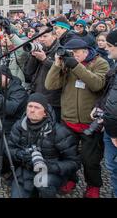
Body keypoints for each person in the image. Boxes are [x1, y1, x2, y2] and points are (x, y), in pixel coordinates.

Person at [45, 38, 109, 198]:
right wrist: (57, 65)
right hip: (69, 119)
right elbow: (50, 85)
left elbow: (97, 85)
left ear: (85, 51)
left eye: (75, 53)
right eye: (70, 53)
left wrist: (76, 65)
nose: (72, 56)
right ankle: (70, 179)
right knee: (68, 156)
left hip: (90, 122)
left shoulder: (100, 63)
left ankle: (93, 185)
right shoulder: (67, 64)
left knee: (90, 160)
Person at [8, 93, 80, 198]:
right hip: (26, 170)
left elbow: (74, 162)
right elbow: (9, 148)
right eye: (30, 106)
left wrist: (49, 166)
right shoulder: (19, 126)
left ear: (45, 112)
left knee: (43, 184)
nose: (32, 110)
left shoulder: (60, 132)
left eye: (37, 107)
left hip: (51, 172)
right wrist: (20, 155)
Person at [94, 30, 117, 197]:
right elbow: (109, 95)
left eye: (110, 46)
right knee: (112, 168)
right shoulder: (115, 67)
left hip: (114, 130)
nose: (107, 49)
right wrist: (99, 107)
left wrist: (114, 132)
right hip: (110, 127)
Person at [23, 27, 62, 122]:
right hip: (37, 93)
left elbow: (61, 70)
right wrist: (33, 56)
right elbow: (28, 72)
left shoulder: (60, 51)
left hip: (52, 99)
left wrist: (45, 59)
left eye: (45, 36)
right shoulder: (41, 49)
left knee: (51, 126)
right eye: (40, 36)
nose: (42, 39)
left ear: (54, 36)